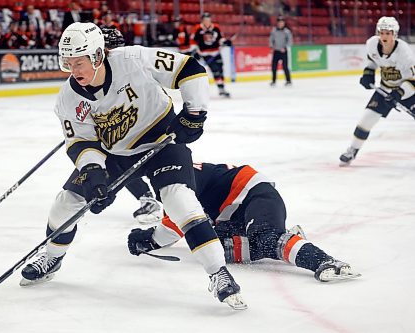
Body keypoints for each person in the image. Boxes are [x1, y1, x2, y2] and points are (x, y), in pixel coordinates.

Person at [20, 22, 246, 310]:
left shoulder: (134, 59)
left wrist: (194, 113)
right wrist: (92, 171)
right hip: (116, 153)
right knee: (67, 202)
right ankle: (52, 256)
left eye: (80, 62)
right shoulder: (68, 98)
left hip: (162, 142)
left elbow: (190, 69)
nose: (74, 71)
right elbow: (81, 142)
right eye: (68, 63)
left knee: (180, 200)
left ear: (98, 56)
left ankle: (218, 273)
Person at [128, 162, 361, 283]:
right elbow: (182, 224)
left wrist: (150, 239)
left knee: (266, 239)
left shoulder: (178, 180)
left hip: (254, 193)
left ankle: (326, 262)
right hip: (235, 214)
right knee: (215, 247)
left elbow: (176, 224)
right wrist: (151, 238)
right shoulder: (173, 176)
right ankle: (288, 239)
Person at [99, 26, 163, 224]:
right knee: (114, 158)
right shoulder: (108, 72)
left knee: (120, 158)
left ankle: (159, 201)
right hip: (133, 129)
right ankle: (149, 198)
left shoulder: (132, 68)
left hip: (147, 129)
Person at [339, 17, 415, 166]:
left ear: (395, 34)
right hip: (385, 89)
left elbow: (413, 81)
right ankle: (352, 150)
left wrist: (399, 94)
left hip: (408, 91)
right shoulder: (372, 44)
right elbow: (373, 61)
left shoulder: (404, 52)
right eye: (382, 32)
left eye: (388, 33)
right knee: (366, 119)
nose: (384, 36)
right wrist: (368, 74)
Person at [192, 13, 231, 98]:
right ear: (202, 20)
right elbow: (193, 40)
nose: (207, 21)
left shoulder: (216, 27)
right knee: (215, 70)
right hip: (205, 54)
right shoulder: (198, 28)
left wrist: (225, 42)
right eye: (205, 20)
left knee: (220, 70)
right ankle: (221, 89)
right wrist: (195, 51)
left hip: (216, 52)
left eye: (208, 19)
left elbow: (220, 38)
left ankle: (222, 88)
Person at [269, 16, 292, 87]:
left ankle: (288, 81)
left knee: (285, 66)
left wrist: (285, 47)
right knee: (274, 67)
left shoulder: (287, 32)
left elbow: (290, 41)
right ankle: (273, 81)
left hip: (283, 51)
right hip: (276, 51)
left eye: (282, 22)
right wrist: (271, 46)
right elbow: (271, 39)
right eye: (279, 22)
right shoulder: (274, 31)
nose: (280, 24)